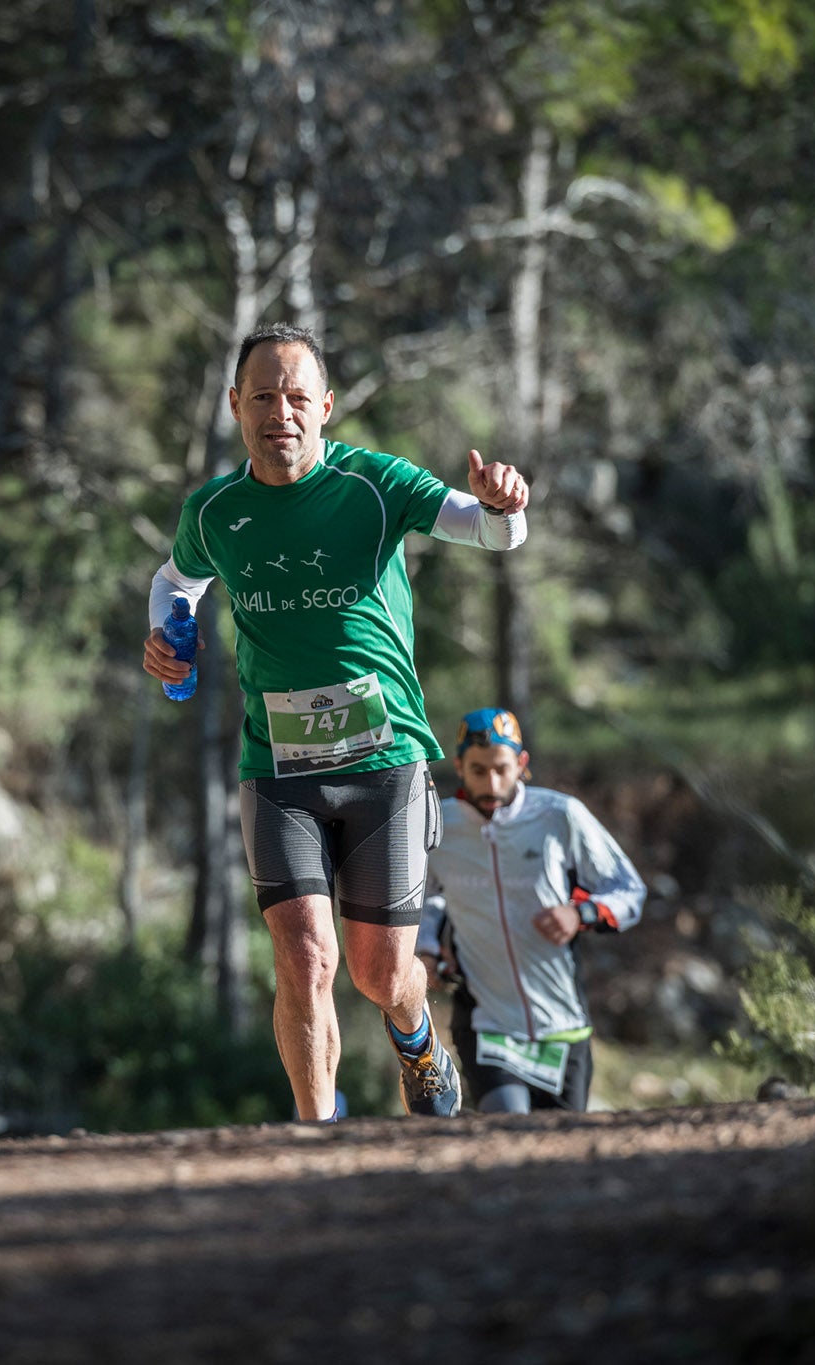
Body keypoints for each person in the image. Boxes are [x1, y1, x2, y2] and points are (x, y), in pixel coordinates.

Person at [139, 323, 530, 1122]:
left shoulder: (374, 484)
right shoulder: (215, 511)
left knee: (380, 972)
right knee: (305, 955)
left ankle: (417, 1038)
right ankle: (317, 1140)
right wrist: (170, 637)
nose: (279, 412)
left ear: (324, 406)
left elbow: (485, 530)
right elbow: (176, 580)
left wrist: (503, 507)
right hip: (278, 769)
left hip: (387, 762)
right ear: (234, 407)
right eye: (261, 397)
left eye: (294, 397)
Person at [417, 707, 646, 1114]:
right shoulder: (440, 825)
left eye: (502, 769)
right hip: (487, 1021)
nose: (491, 782)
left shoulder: (559, 816)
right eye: (477, 770)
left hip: (562, 1024)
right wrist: (427, 948)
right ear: (458, 766)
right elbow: (425, 897)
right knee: (507, 1125)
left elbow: (629, 891)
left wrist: (581, 914)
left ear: (522, 764)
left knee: (561, 1153)